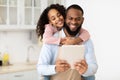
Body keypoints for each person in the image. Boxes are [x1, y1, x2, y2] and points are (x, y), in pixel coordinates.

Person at [37, 4, 98, 80]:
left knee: (90, 76)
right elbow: (40, 68)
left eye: (78, 19)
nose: (73, 22)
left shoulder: (86, 40)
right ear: (65, 18)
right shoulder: (51, 40)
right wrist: (55, 68)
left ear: (82, 20)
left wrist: (86, 70)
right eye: (70, 18)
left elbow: (94, 66)